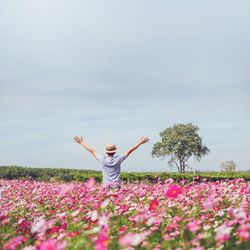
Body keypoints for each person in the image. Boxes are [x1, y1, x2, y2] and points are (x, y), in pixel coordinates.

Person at [74, 136, 149, 188]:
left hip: (106, 187)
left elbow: (92, 151)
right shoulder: (118, 159)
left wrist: (81, 142)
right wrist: (140, 142)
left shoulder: (102, 160)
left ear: (106, 151)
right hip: (116, 186)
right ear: (114, 152)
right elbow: (130, 150)